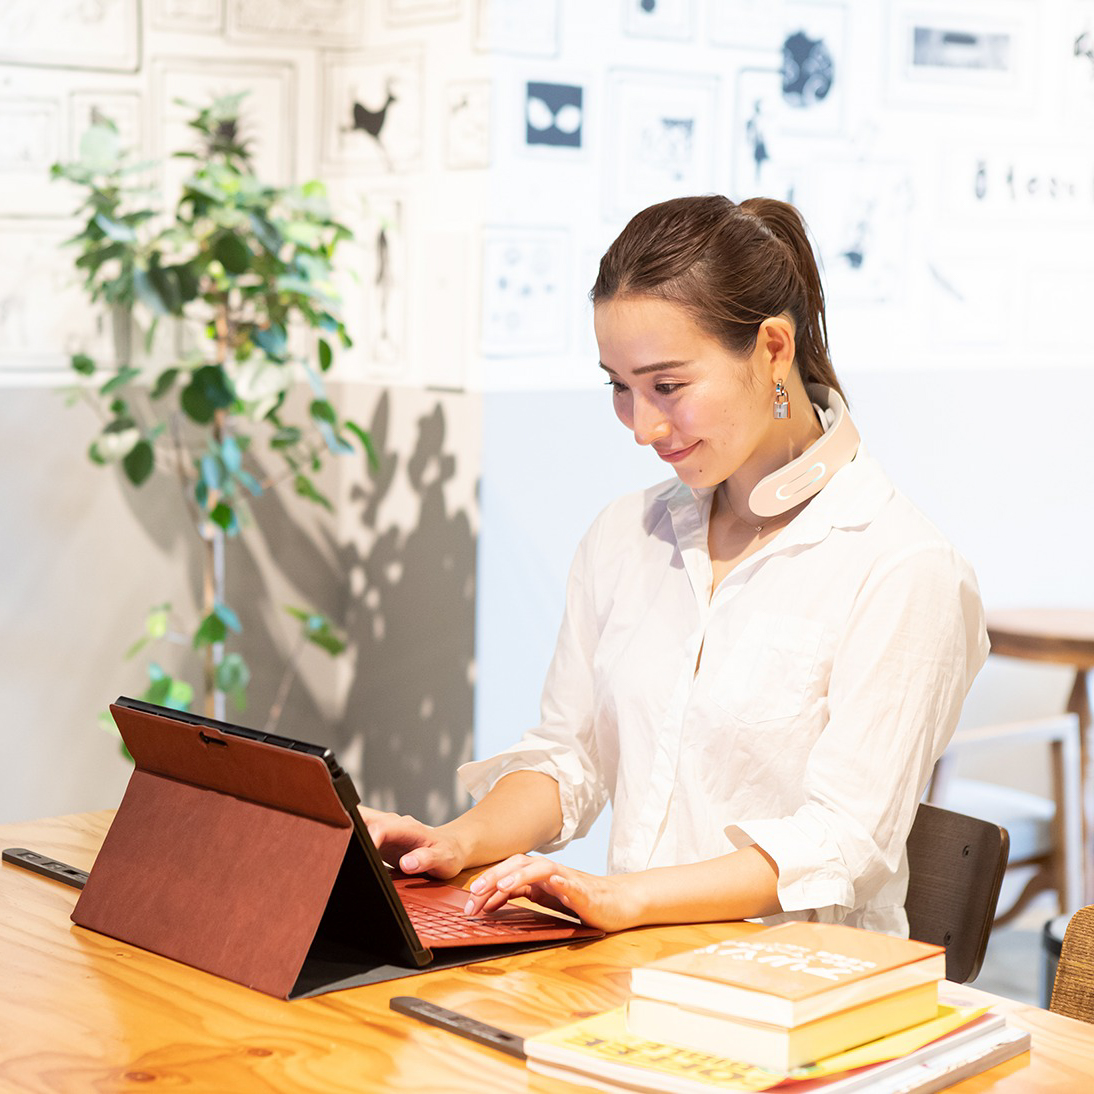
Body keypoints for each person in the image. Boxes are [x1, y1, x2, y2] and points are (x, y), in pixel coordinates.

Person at [360, 194, 988, 938]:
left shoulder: (902, 567)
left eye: (667, 386)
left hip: (802, 998)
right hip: (629, 967)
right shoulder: (626, 534)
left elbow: (842, 842)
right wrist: (458, 841)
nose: (643, 427)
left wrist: (626, 898)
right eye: (619, 389)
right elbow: (571, 756)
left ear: (774, 350)